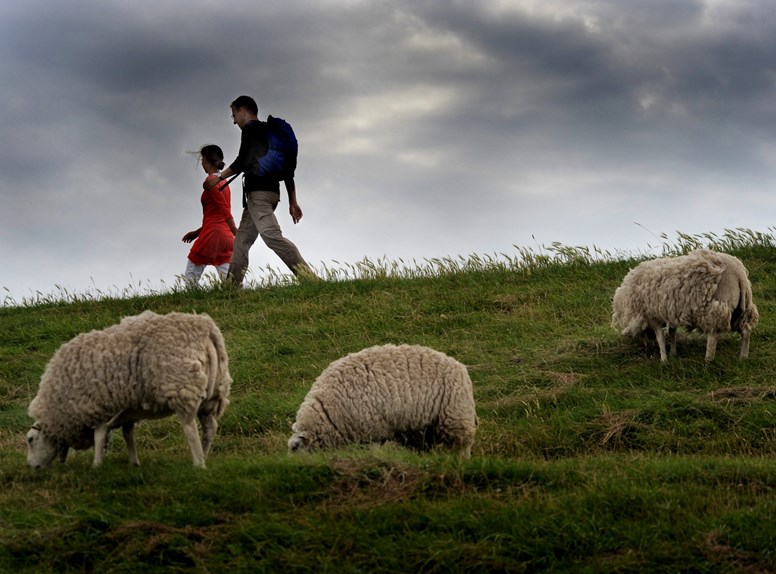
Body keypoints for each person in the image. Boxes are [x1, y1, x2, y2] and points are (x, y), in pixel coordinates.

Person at [207, 95, 315, 286]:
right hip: (271, 194)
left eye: (234, 115)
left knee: (272, 237)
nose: (234, 121)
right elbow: (288, 171)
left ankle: (310, 279)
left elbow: (244, 160)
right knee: (241, 241)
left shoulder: (250, 129)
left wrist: (219, 178)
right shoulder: (268, 131)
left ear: (242, 110)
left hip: (259, 196)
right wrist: (293, 201)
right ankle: (230, 288)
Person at [182, 144, 238, 286]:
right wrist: (197, 232)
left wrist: (236, 231)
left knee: (190, 280)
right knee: (230, 283)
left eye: (202, 161)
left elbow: (224, 208)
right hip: (225, 236)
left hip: (212, 235)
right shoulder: (224, 181)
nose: (202, 164)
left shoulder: (210, 182)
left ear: (206, 161)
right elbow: (218, 213)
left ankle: (192, 303)